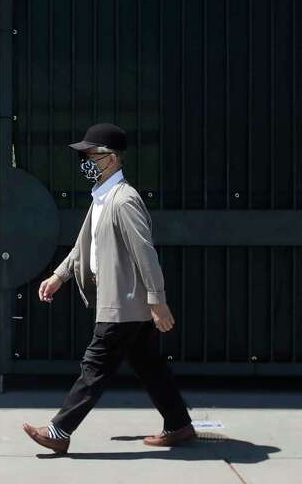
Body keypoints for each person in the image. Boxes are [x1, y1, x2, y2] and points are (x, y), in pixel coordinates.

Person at [22, 122, 195, 454]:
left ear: (112, 159)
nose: (85, 162)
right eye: (83, 156)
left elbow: (145, 252)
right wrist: (59, 276)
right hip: (121, 301)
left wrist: (157, 300)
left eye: (91, 155)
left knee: (95, 365)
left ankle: (59, 431)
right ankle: (179, 424)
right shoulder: (101, 198)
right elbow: (84, 246)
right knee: (148, 364)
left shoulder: (124, 200)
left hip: (124, 303)